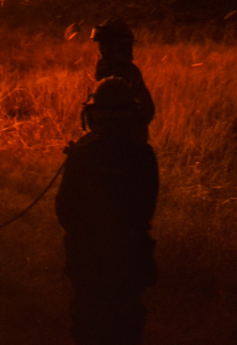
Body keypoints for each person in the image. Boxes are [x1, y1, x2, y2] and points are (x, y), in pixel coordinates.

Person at [55, 77, 159, 345]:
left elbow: (65, 208)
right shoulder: (143, 155)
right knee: (126, 319)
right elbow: (145, 208)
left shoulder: (83, 153)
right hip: (129, 255)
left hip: (88, 255)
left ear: (94, 115)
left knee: (88, 317)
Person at [91, 18, 154, 133]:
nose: (101, 49)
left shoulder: (129, 72)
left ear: (119, 46)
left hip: (125, 137)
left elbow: (147, 110)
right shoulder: (102, 67)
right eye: (101, 44)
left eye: (105, 44)